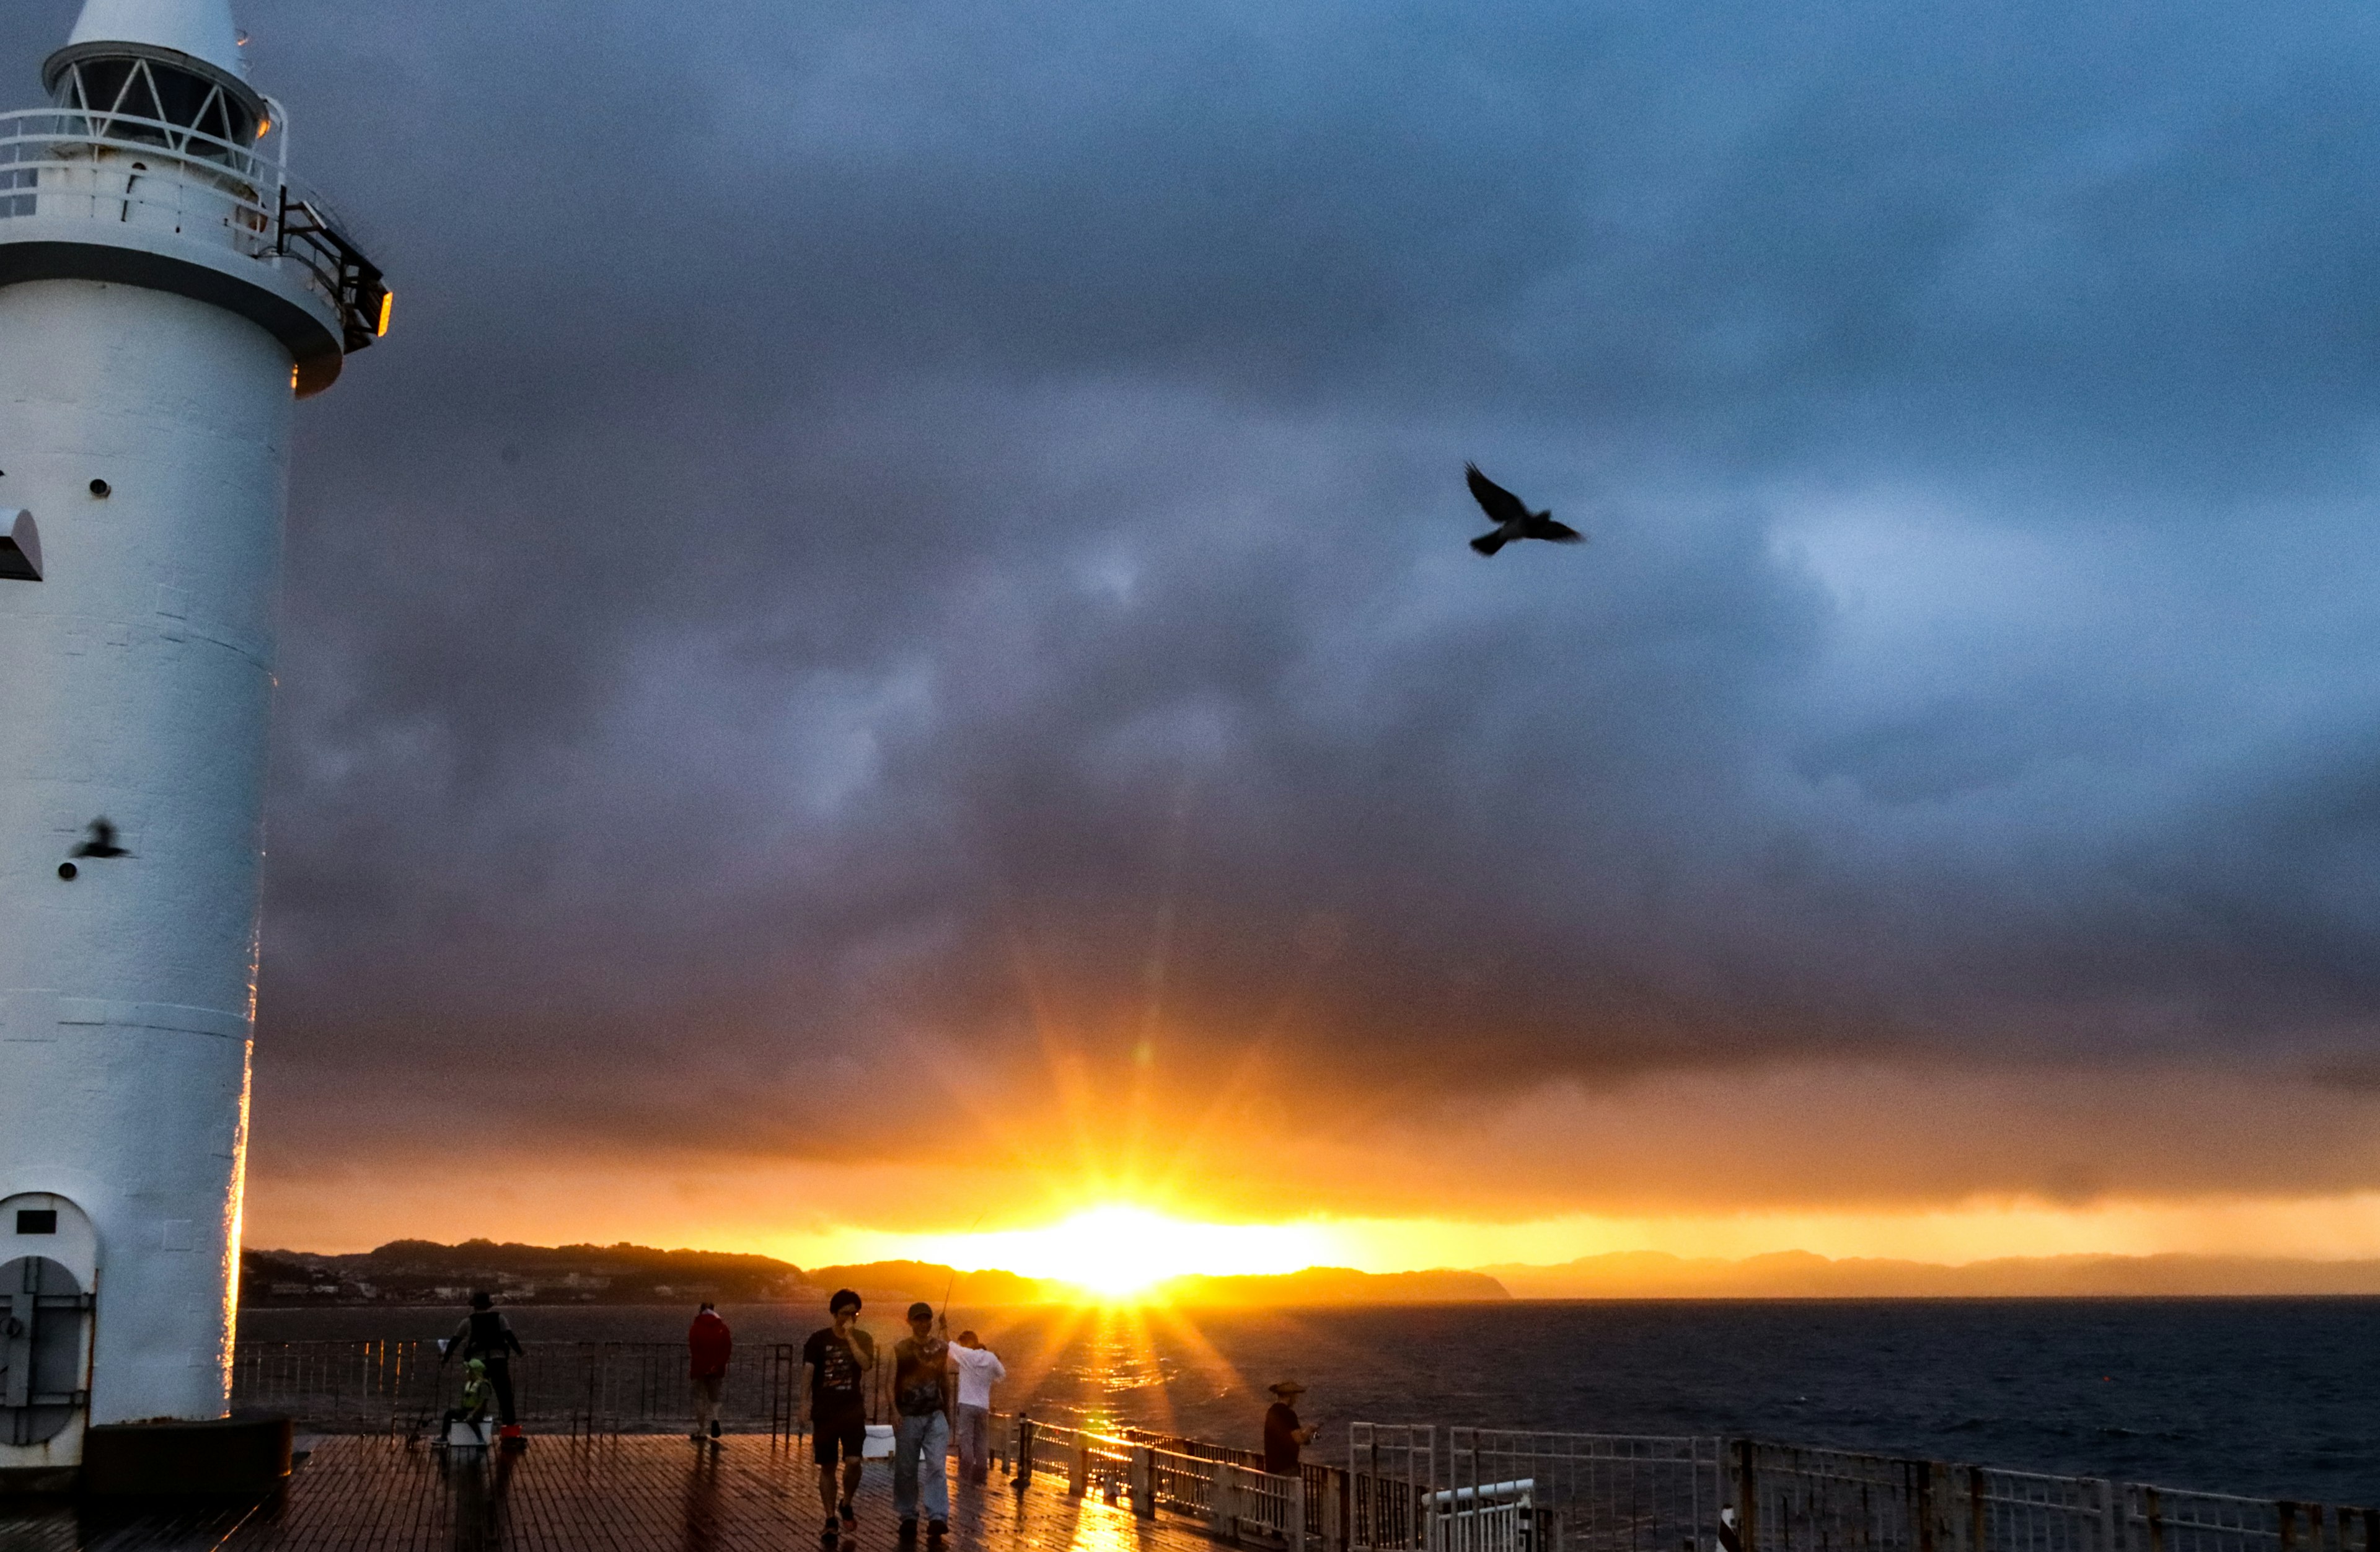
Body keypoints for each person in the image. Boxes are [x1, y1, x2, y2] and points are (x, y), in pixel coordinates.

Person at [803, 1289, 876, 1546]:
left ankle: (846, 1503)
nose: (849, 1318)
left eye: (854, 1314)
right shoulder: (817, 1340)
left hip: (852, 1411)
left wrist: (851, 1339)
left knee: (854, 1461)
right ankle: (830, 1518)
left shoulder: (863, 1338)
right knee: (828, 1466)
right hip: (825, 1411)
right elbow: (808, 1373)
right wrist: (804, 1403)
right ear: (834, 1313)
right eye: (845, 1313)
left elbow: (866, 1365)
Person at [890, 1301, 955, 1541]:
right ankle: (908, 1515)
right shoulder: (900, 1349)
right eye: (918, 1319)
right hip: (908, 1416)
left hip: (935, 1416)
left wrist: (948, 1414)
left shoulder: (941, 1348)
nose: (923, 1323)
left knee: (937, 1466)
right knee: (906, 1470)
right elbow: (890, 1382)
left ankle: (938, 1517)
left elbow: (945, 1381)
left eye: (927, 1319)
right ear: (909, 1322)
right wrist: (895, 1411)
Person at [441, 1290, 526, 1430]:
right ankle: (510, 1430)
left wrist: (446, 1359)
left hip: (478, 1364)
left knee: (477, 1395)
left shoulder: (468, 1321)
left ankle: (474, 1423)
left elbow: (454, 1342)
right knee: (505, 1396)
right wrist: (520, 1352)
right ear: (488, 1306)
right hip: (498, 1361)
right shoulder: (500, 1318)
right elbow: (510, 1336)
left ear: (474, 1306)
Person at [949, 1329, 1007, 1484]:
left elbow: (949, 1345)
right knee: (981, 1442)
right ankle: (981, 1477)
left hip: (967, 1405)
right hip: (983, 1407)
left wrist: (944, 1326)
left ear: (969, 1343)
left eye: (964, 1344)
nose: (963, 1347)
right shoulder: (991, 1358)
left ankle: (965, 1475)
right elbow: (1002, 1374)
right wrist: (989, 1374)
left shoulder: (966, 1355)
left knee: (966, 1441)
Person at [689, 1300, 733, 1442]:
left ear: (700, 1310)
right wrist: (716, 1366)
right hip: (717, 1370)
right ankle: (715, 1418)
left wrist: (704, 1367)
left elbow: (694, 1349)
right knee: (715, 1398)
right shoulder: (722, 1327)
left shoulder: (696, 1327)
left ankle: (701, 1430)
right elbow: (727, 1349)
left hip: (700, 1370)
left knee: (699, 1399)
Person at [1263, 1380, 1317, 1476]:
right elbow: (1298, 1439)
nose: (1296, 1399)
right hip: (1286, 1468)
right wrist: (1310, 1429)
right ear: (1290, 1396)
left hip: (1272, 1469)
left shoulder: (1271, 1411)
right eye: (1295, 1396)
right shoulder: (1288, 1414)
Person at [441, 1357, 494, 1445]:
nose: (467, 1373)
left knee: (471, 1419)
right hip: (466, 1410)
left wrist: (473, 1413)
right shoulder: (470, 1383)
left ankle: (480, 1439)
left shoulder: (484, 1385)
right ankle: (444, 1437)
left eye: (470, 1371)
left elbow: (482, 1402)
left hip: (477, 1413)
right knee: (449, 1414)